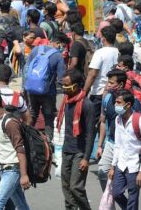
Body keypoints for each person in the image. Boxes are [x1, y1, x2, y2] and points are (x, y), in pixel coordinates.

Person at [56, 71, 96, 210]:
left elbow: (91, 134)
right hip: (66, 150)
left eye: (67, 85)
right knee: (66, 188)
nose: (64, 88)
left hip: (79, 153)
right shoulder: (66, 101)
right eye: (63, 85)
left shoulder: (87, 105)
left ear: (77, 85)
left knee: (76, 188)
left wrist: (86, 158)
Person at [108, 90, 141, 210]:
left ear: (128, 105)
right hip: (121, 164)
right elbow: (118, 144)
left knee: (133, 197)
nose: (116, 105)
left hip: (135, 165)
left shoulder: (140, 120)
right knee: (116, 193)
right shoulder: (118, 119)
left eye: (118, 102)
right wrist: (112, 166)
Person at [24, 31, 68, 141]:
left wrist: (24, 87)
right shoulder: (58, 56)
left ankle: (27, 138)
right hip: (48, 92)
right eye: (63, 46)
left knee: (32, 114)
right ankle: (48, 141)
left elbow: (26, 69)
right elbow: (61, 78)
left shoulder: (35, 50)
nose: (63, 49)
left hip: (31, 89)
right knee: (48, 117)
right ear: (58, 43)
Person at [84, 25, 119, 117]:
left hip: (98, 93)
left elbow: (92, 74)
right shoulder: (118, 52)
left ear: (103, 39)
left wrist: (84, 91)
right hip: (114, 91)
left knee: (93, 121)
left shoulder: (100, 53)